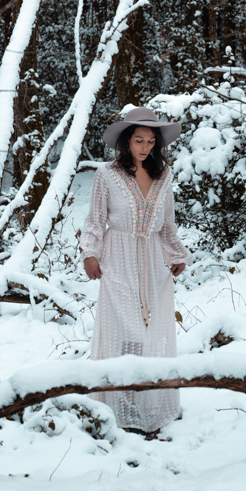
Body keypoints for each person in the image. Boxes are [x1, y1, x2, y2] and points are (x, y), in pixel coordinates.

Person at [80, 107, 192, 435]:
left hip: (153, 261)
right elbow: (95, 220)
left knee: (149, 331)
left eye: (151, 141)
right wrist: (90, 253)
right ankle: (121, 404)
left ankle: (143, 400)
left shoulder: (163, 174)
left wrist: (177, 253)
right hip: (117, 258)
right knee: (127, 332)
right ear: (126, 141)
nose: (145, 147)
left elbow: (167, 225)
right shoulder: (107, 174)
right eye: (139, 140)